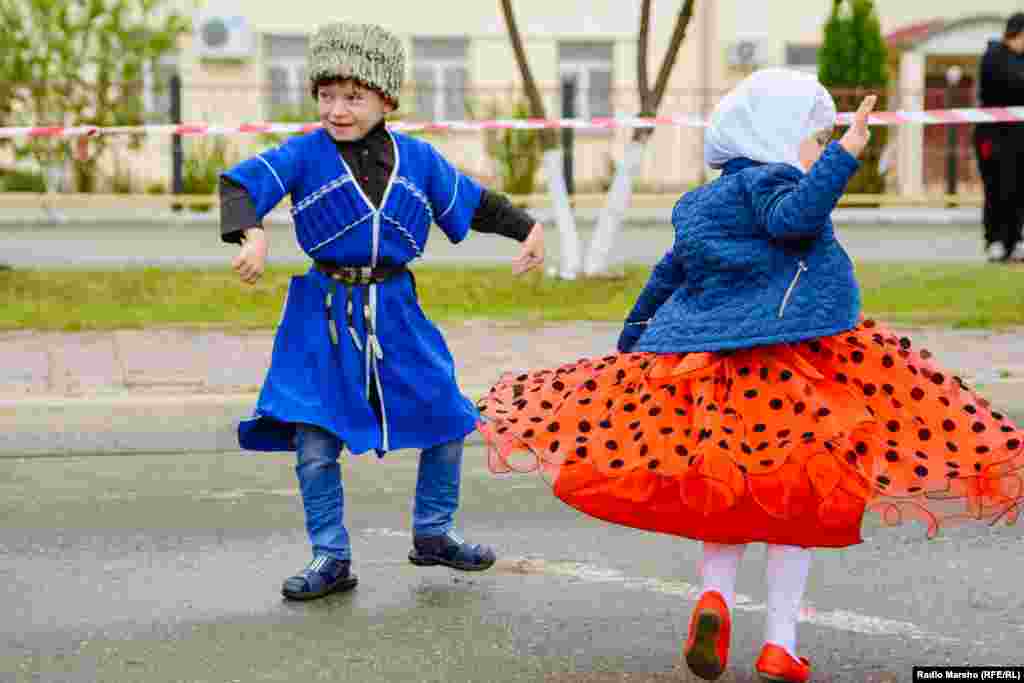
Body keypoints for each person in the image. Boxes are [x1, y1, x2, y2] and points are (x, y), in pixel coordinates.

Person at [477, 69, 1024, 682]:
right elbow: (797, 218)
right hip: (791, 371)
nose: (818, 151)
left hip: (710, 370)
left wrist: (633, 341)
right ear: (777, 135)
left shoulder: (699, 201)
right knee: (794, 506)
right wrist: (847, 154)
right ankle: (780, 645)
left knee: (726, 496)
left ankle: (713, 601)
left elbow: (668, 275)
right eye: (813, 138)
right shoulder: (775, 183)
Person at [219, 21, 546, 601]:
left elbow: (474, 204)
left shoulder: (418, 160)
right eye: (326, 96)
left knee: (447, 414)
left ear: (386, 98)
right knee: (315, 438)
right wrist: (254, 236)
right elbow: (240, 189)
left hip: (396, 309)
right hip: (321, 314)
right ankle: (330, 554)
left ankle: (434, 531)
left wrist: (528, 229)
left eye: (353, 97)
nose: (337, 110)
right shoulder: (303, 154)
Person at [974, 12, 1024, 262]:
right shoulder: (993, 56)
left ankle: (1015, 241)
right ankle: (995, 240)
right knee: (997, 188)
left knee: (1018, 190)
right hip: (993, 136)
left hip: (1019, 137)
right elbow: (1008, 87)